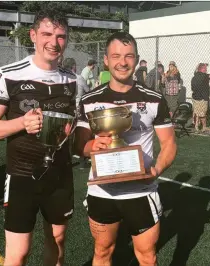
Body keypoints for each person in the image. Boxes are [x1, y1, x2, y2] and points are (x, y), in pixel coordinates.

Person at [0, 9, 77, 266]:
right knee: (18, 252)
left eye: (60, 36)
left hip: (60, 174)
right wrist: (22, 123)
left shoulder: (74, 80)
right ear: (33, 35)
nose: (53, 43)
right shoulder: (8, 74)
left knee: (57, 243)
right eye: (46, 34)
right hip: (22, 175)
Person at [74, 32, 177, 266]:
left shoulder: (154, 98)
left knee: (147, 257)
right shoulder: (90, 100)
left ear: (137, 59)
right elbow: (79, 145)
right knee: (102, 253)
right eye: (116, 56)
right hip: (102, 192)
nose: (123, 62)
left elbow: (169, 143)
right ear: (106, 61)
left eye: (129, 56)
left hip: (141, 191)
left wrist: (157, 169)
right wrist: (92, 146)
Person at [62, 57, 91, 169]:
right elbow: (88, 91)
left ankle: (67, 159)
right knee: (81, 132)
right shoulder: (78, 78)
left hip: (64, 109)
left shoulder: (60, 77)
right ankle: (83, 161)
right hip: (78, 108)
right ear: (74, 66)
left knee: (65, 133)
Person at [191, 63, 210, 132]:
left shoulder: (194, 77)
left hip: (195, 97)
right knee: (202, 114)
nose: (206, 70)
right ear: (202, 69)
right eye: (205, 69)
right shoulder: (204, 76)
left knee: (197, 112)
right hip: (203, 98)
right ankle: (204, 127)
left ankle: (196, 126)